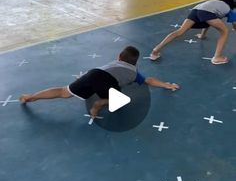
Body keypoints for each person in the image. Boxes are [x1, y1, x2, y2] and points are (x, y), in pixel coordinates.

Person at [20, 46, 180, 118]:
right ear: (136, 62)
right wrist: (167, 84)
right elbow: (149, 80)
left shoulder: (115, 62)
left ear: (119, 56)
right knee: (121, 100)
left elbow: (102, 73)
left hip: (93, 73)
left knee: (63, 91)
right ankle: (99, 104)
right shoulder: (134, 72)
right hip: (106, 81)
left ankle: (31, 97)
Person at [150, 0, 236, 65]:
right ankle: (217, 57)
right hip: (206, 13)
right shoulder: (227, 8)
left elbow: (208, 21)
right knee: (225, 31)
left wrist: (202, 35)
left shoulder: (212, 3)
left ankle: (155, 50)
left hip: (196, 10)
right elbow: (234, 23)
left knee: (179, 32)